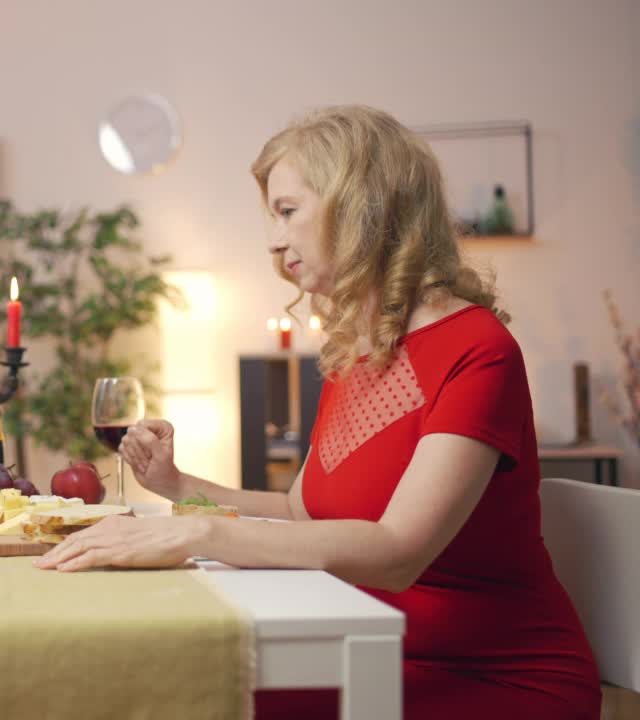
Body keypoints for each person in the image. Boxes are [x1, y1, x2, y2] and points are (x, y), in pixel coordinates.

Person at [35, 105, 600, 719]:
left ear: (361, 204)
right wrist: (179, 487)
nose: (274, 240)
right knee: (168, 686)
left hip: (491, 676)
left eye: (287, 211)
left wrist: (202, 530)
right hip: (368, 649)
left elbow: (397, 551)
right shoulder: (354, 353)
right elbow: (299, 512)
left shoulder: (477, 349)